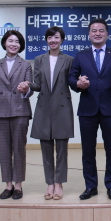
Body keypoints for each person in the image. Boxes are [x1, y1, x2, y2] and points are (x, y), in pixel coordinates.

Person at [68, 18, 111, 200]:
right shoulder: (80, 56)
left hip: (110, 109)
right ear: (89, 34)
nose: (97, 33)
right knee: (88, 151)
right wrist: (78, 84)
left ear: (107, 34)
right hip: (87, 110)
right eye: (94, 30)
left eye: (101, 30)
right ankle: (91, 186)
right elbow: (71, 78)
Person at [0, 30, 33, 200]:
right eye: (10, 41)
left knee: (18, 148)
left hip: (20, 110)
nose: (13, 44)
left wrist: (26, 89)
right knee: (4, 150)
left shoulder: (25, 65)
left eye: (17, 42)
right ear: (4, 43)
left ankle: (18, 185)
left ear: (21, 45)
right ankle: (7, 185)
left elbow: (29, 89)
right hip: (0, 110)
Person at [27, 26, 74, 200]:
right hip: (44, 107)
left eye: (56, 37)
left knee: (62, 149)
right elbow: (37, 84)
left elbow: (73, 81)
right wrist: (27, 85)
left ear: (62, 40)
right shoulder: (39, 59)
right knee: (46, 149)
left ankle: (59, 183)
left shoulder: (69, 60)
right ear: (46, 40)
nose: (53, 40)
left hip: (62, 107)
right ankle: (49, 183)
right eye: (49, 38)